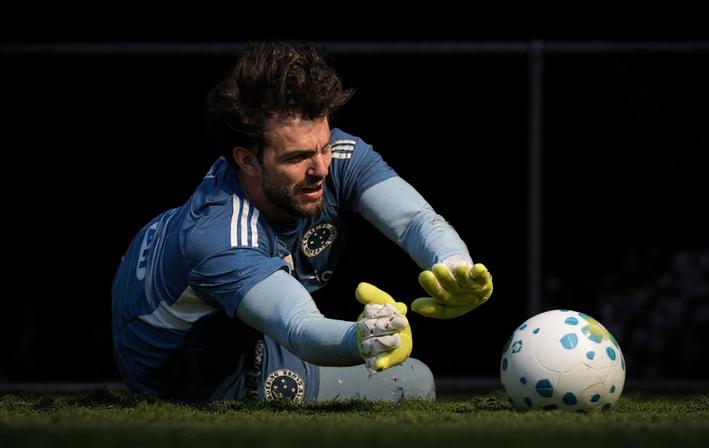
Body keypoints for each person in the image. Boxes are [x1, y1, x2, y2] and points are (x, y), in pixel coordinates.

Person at [111, 41, 493, 403]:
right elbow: (299, 327)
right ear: (247, 160)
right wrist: (363, 338)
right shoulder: (220, 237)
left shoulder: (334, 155)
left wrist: (454, 265)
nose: (321, 168)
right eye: (297, 158)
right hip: (185, 366)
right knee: (413, 383)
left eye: (324, 146)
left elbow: (414, 221)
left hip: (215, 315)